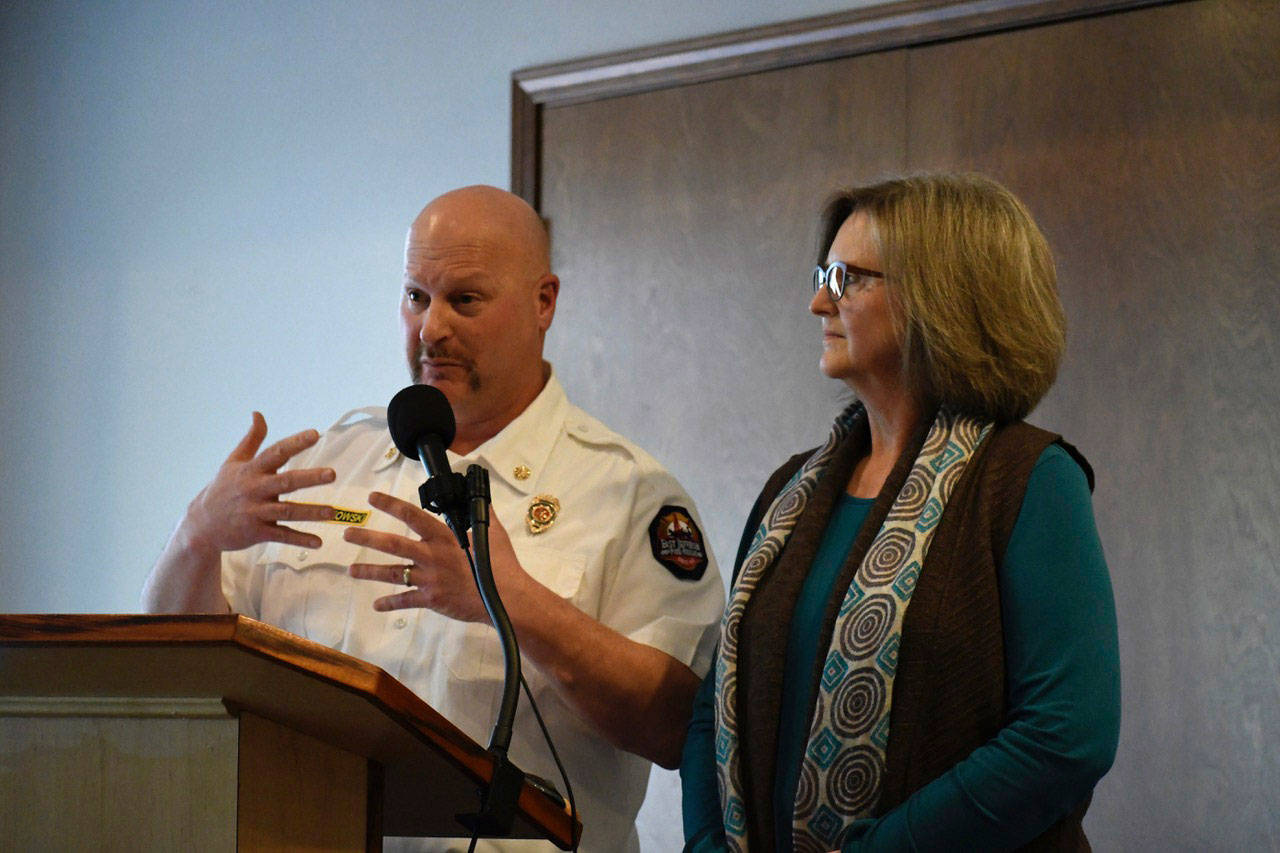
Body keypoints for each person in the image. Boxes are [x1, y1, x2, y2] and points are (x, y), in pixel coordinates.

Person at [142, 185, 725, 852]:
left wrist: (511, 601)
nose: (431, 329)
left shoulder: (629, 493)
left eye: (464, 299)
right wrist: (195, 539)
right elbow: (178, 664)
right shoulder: (328, 463)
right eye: (417, 297)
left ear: (544, 302)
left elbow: (676, 728)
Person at [680, 173, 1120, 852]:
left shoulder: (1030, 480)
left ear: (944, 297)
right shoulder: (790, 491)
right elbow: (714, 706)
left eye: (847, 278)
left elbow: (1065, 736)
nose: (818, 301)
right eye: (823, 275)